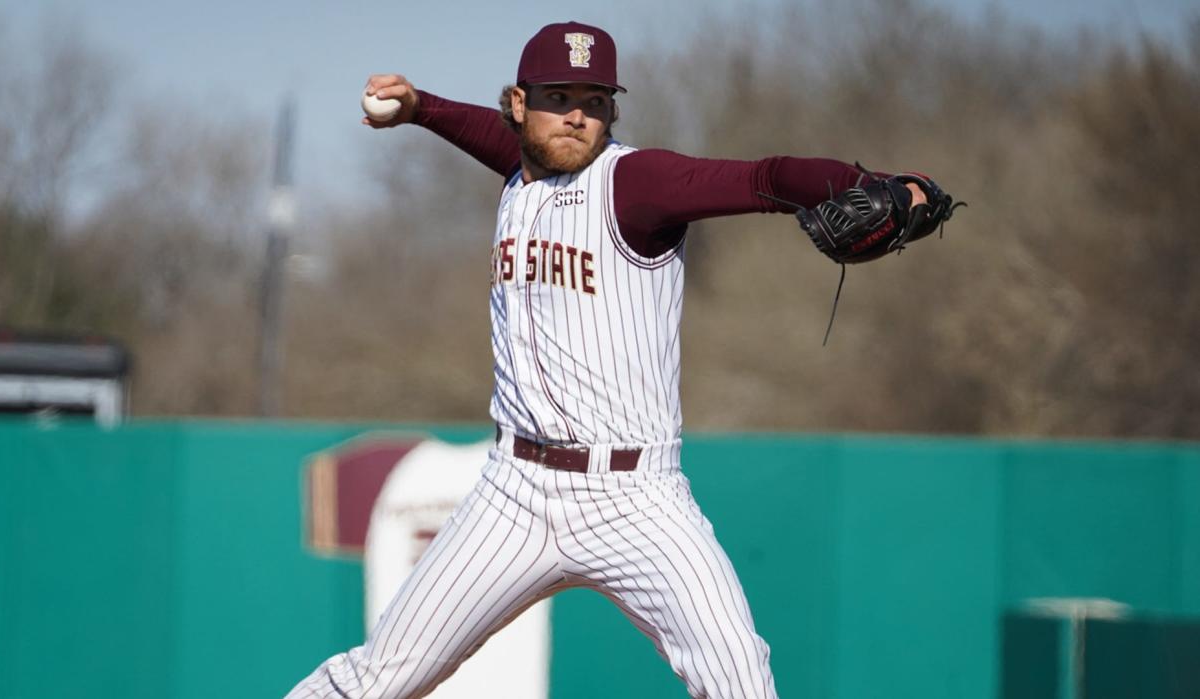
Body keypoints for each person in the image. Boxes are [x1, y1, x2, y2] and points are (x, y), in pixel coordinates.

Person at [287, 20, 927, 699]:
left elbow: (764, 176)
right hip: (514, 491)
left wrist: (882, 183)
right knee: (379, 675)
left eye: (594, 102)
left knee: (741, 678)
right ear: (518, 104)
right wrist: (423, 108)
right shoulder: (518, 172)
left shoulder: (637, 183)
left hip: (635, 497)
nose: (577, 117)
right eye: (558, 97)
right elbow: (494, 141)